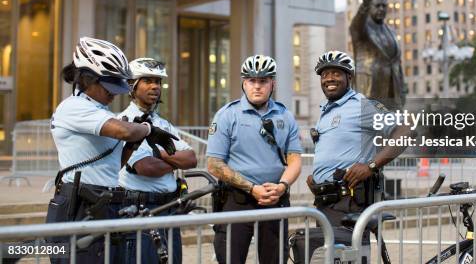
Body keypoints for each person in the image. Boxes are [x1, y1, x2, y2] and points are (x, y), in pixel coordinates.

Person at [46, 37, 178, 264]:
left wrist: (134, 143)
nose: (114, 93)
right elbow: (124, 131)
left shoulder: (100, 110)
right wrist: (147, 129)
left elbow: (114, 164)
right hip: (80, 204)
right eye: (109, 85)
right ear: (87, 79)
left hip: (105, 202)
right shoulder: (75, 107)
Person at [207, 55, 303, 264]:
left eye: (263, 81)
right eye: (252, 81)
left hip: (275, 199)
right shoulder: (227, 115)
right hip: (237, 200)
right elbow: (214, 164)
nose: (257, 86)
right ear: (244, 83)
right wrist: (251, 188)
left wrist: (282, 186)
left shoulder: (285, 116)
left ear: (273, 84)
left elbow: (294, 159)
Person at [307, 50, 402, 227]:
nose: (329, 78)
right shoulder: (328, 109)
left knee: (346, 254)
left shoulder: (361, 105)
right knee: (325, 253)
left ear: (349, 77)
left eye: (336, 73)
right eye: (325, 74)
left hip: (348, 201)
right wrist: (317, 176)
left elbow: (406, 130)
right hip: (325, 201)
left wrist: (371, 166)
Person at [118, 58, 197, 264]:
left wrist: (158, 153)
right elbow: (146, 167)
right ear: (132, 85)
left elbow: (191, 159)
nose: (155, 86)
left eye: (158, 81)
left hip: (169, 210)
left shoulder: (164, 124)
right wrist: (173, 159)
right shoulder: (124, 123)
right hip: (140, 210)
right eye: (147, 80)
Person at [350, 0, 405, 109]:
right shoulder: (362, 29)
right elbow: (356, 24)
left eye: (384, 6)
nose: (381, 9)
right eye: (377, 6)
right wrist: (364, 5)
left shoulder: (390, 31)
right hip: (369, 86)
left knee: (393, 125)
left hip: (392, 88)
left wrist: (402, 90)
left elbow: (397, 62)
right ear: (369, 8)